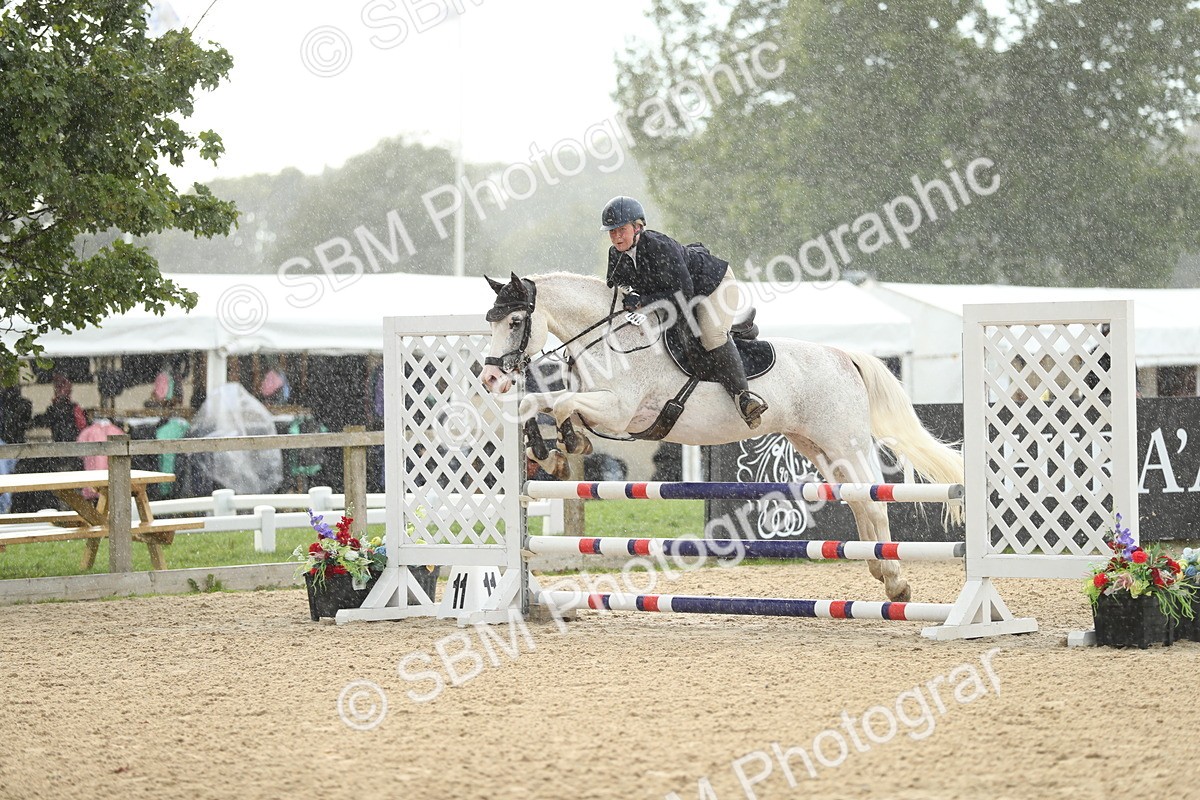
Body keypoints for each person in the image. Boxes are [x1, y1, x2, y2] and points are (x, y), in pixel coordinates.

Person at [601, 195, 768, 428]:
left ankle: (744, 399)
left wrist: (643, 300)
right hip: (676, 296)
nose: (616, 236)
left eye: (621, 230)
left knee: (712, 337)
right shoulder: (615, 254)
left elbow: (684, 293)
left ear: (638, 227)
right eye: (612, 231)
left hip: (711, 286)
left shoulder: (659, 246)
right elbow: (615, 285)